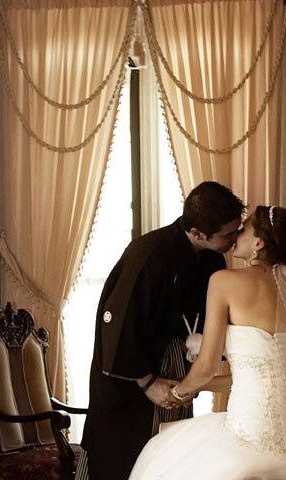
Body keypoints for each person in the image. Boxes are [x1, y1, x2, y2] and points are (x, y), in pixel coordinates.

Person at [129, 206, 286, 480]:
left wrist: (178, 394)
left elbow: (206, 366)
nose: (237, 233)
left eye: (245, 228)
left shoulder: (223, 281)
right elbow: (272, 374)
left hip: (251, 429)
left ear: (259, 243)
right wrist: (197, 389)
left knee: (161, 456)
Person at [80, 181, 244, 480]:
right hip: (132, 378)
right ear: (197, 233)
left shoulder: (212, 259)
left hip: (175, 370)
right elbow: (119, 326)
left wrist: (193, 372)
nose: (235, 239)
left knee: (173, 458)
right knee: (126, 461)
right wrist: (148, 383)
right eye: (228, 234)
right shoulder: (148, 255)